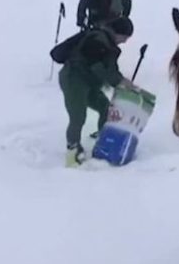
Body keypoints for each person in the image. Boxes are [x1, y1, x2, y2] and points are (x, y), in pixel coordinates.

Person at [58, 16, 139, 167]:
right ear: (118, 32)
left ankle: (104, 143)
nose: (126, 41)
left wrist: (122, 82)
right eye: (125, 37)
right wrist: (119, 81)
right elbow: (98, 67)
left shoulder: (108, 44)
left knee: (105, 108)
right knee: (78, 116)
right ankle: (73, 151)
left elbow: (110, 69)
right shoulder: (97, 40)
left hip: (88, 83)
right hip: (73, 80)